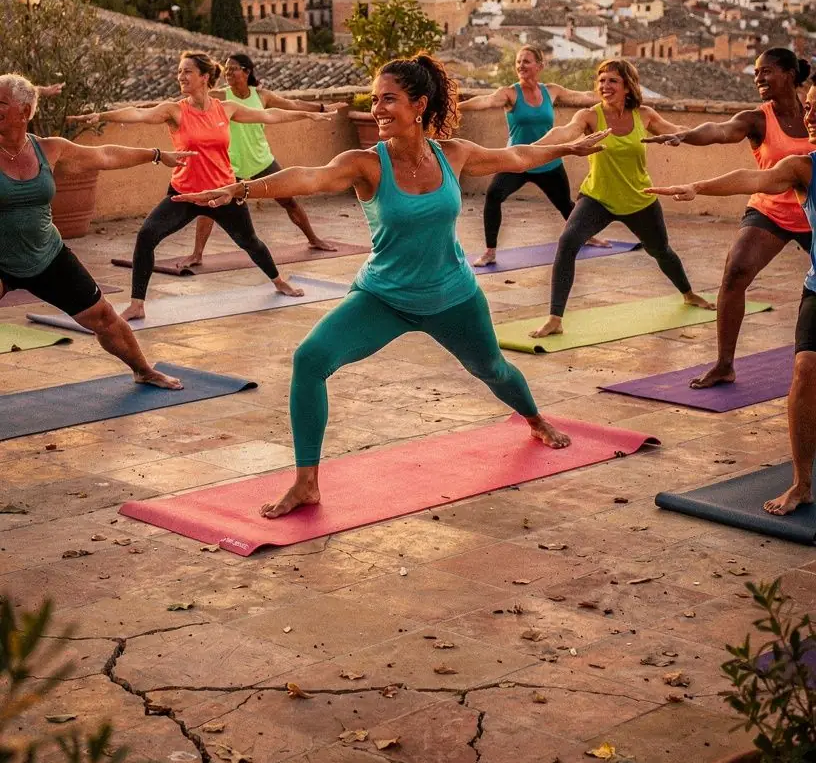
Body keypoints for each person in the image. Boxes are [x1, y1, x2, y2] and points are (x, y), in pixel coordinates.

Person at [173, 53, 609, 517]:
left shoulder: (454, 154)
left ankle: (535, 419)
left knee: (494, 371)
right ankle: (306, 482)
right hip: (384, 297)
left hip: (453, 296)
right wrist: (240, 188)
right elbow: (310, 177)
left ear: (419, 105)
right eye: (374, 99)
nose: (378, 109)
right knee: (310, 359)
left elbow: (518, 155)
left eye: (389, 100)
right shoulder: (365, 163)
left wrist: (567, 150)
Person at [654, 74, 816, 517]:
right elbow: (751, 173)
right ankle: (802, 482)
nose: (811, 114)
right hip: (796, 250)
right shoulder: (801, 162)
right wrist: (697, 185)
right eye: (810, 107)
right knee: (804, 369)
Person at [69, 50, 325, 320]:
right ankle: (137, 304)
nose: (181, 76)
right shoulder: (175, 111)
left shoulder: (225, 109)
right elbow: (138, 113)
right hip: (185, 194)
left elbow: (269, 115)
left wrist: (307, 115)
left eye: (187, 71)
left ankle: (278, 281)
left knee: (250, 242)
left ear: (204, 77)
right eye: (179, 72)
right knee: (147, 236)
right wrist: (103, 116)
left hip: (222, 193)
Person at [0, 73, 189, 390]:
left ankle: (143, 369)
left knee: (103, 318)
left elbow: (105, 155)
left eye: (1, 103)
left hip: (48, 256)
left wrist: (155, 155)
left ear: (23, 111)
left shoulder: (49, 149)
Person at [646, 48, 812, 387]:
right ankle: (724, 364)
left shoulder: (813, 115)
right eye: (756, 74)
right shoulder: (757, 119)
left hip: (814, 216)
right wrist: (685, 135)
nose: (759, 79)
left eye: (766, 72)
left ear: (791, 75)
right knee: (735, 272)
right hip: (772, 211)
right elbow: (720, 130)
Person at [528, 57, 712, 339]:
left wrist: (692, 136)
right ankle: (555, 318)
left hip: (639, 199)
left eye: (612, 80)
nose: (605, 85)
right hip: (597, 198)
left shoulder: (644, 115)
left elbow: (675, 131)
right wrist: (530, 149)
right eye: (601, 80)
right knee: (567, 242)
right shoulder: (590, 116)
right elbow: (564, 132)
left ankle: (688, 294)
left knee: (660, 250)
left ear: (627, 86)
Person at [180, 52, 338, 267]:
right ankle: (197, 254)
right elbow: (193, 99)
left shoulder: (262, 96)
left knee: (288, 201)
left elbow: (291, 104)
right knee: (210, 206)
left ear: (246, 71)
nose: (228, 73)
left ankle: (314, 239)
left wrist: (320, 108)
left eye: (233, 68)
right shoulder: (221, 96)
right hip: (230, 164)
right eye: (226, 69)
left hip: (262, 160)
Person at [459, 45, 609, 263]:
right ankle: (490, 252)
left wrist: (614, 96)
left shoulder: (552, 91)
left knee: (565, 204)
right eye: (518, 61)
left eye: (526, 61)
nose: (521, 65)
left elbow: (582, 96)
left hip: (547, 160)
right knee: (493, 196)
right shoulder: (509, 93)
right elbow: (485, 101)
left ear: (539, 66)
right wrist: (456, 107)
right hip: (517, 160)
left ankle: (588, 237)